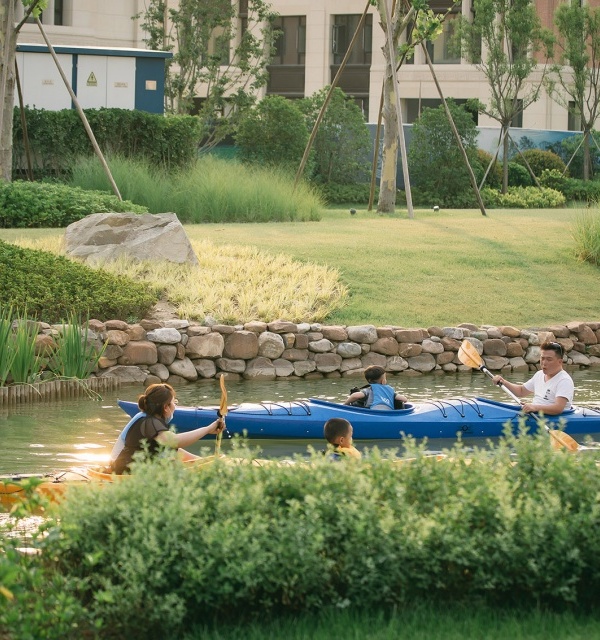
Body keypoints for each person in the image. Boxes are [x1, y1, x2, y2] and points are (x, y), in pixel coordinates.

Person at [110, 383, 224, 475]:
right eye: (174, 402)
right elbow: (174, 441)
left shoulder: (151, 421)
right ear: (165, 407)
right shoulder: (148, 422)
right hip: (123, 472)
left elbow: (172, 450)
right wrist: (207, 429)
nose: (175, 406)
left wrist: (203, 461)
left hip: (133, 468)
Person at [492, 341, 574, 415]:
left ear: (560, 362)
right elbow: (521, 391)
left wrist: (535, 407)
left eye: (549, 359)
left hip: (554, 418)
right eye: (542, 358)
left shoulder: (564, 380)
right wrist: (503, 382)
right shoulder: (539, 374)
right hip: (535, 414)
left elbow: (558, 409)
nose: (544, 363)